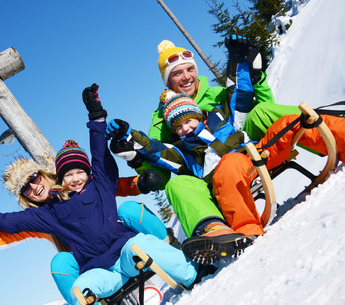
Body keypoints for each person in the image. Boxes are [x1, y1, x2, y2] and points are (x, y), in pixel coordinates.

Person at [0, 84, 207, 305]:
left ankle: (192, 274)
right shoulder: (49, 213)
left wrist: (96, 116)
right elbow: (14, 222)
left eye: (79, 172)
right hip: (102, 273)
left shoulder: (101, 185)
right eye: (68, 174)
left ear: (87, 173)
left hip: (128, 255)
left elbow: (98, 153)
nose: (74, 178)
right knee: (80, 288)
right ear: (60, 178)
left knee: (142, 243)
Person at [108, 91, 345, 264]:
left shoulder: (220, 121)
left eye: (187, 121)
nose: (184, 129)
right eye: (177, 127)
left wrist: (242, 64)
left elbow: (240, 96)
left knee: (288, 124)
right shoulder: (182, 151)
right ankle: (238, 230)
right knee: (225, 166)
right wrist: (131, 137)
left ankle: (342, 136)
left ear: (199, 116)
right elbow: (156, 150)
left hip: (253, 158)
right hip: (225, 179)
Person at [0, 155, 173, 305]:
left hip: (121, 240)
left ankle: (170, 249)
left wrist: (138, 183)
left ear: (42, 173)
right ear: (24, 197)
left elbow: (110, 186)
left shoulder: (73, 183)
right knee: (60, 261)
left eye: (34, 177)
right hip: (92, 262)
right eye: (26, 188)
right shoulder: (38, 219)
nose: (34, 186)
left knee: (127, 210)